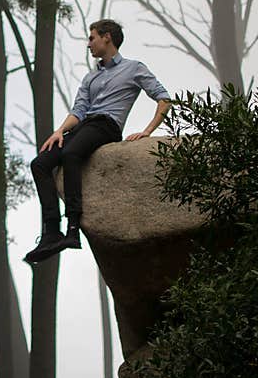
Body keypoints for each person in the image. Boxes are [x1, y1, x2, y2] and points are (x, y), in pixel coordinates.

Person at [24, 19, 171, 265]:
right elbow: (79, 110)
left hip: (107, 126)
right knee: (40, 163)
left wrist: (147, 131)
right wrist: (59, 131)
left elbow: (164, 99)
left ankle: (73, 228)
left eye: (92, 37)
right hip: (84, 126)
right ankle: (51, 231)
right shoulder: (90, 78)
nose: (89, 43)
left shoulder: (134, 68)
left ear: (107, 38)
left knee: (71, 155)